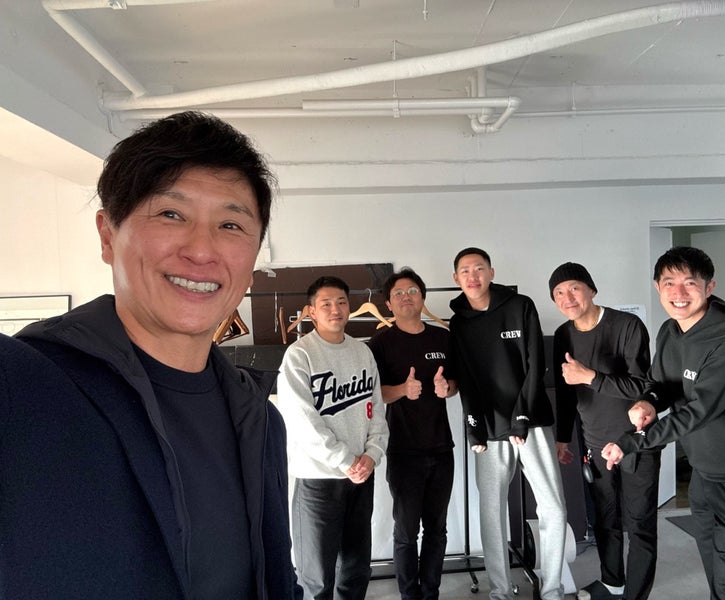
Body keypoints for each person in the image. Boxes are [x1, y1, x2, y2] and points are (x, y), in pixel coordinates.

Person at [0, 111, 302, 599]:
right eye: (171, 215)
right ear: (107, 235)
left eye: (230, 224)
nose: (201, 250)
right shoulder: (24, 387)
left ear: (251, 262)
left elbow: (274, 578)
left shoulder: (261, 423)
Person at [602, 246, 725, 600]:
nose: (678, 292)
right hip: (705, 470)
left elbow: (696, 412)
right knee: (717, 570)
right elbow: (661, 384)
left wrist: (631, 442)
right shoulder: (670, 331)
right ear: (658, 287)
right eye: (669, 283)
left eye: (690, 283)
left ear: (709, 287)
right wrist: (648, 401)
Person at [448, 247, 567, 600]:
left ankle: (552, 588)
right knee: (491, 512)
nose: (473, 276)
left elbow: (535, 365)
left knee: (553, 506)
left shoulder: (520, 306)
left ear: (492, 272)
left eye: (479, 268)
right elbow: (465, 379)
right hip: (489, 428)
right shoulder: (458, 323)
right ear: (456, 278)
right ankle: (500, 590)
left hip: (532, 421)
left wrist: (522, 417)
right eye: (465, 271)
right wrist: (473, 429)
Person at [549, 262, 658, 600]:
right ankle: (613, 582)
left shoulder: (627, 325)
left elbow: (642, 386)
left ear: (592, 290)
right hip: (594, 442)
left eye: (574, 288)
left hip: (636, 441)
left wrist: (591, 377)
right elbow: (565, 391)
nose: (568, 297)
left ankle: (636, 594)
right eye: (558, 293)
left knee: (639, 523)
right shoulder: (563, 335)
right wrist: (563, 437)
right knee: (604, 519)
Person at [277, 275, 388, 600]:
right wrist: (347, 460)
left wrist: (372, 454)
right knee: (317, 577)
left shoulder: (362, 352)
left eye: (341, 302)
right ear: (312, 311)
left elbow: (376, 409)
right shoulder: (299, 355)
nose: (335, 309)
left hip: (360, 478)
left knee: (356, 569)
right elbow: (302, 420)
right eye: (326, 303)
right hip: (318, 480)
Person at [368, 268, 458, 600]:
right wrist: (402, 390)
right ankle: (410, 595)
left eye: (412, 291)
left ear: (422, 297)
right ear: (389, 304)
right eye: (398, 293)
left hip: (441, 448)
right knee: (406, 532)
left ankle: (430, 593)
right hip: (403, 450)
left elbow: (455, 383)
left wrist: (446, 387)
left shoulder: (442, 338)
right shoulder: (380, 343)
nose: (406, 297)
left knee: (437, 530)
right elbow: (375, 394)